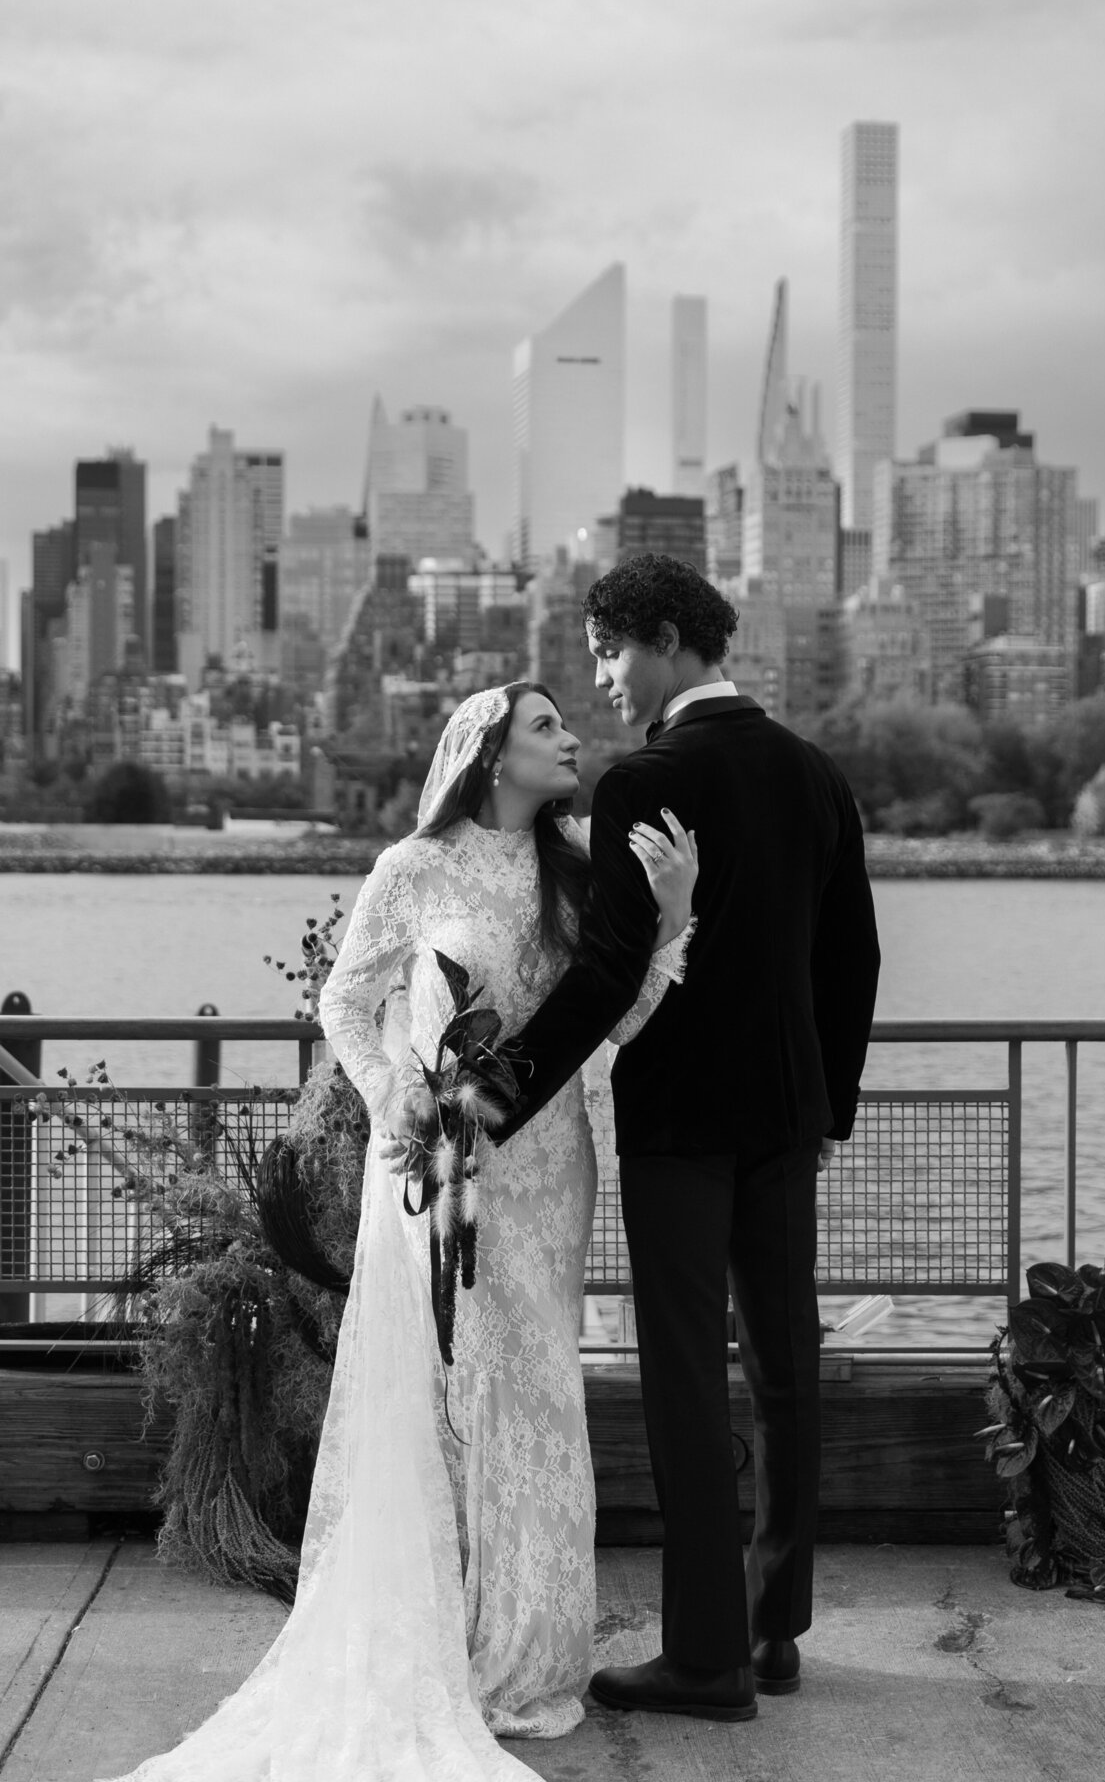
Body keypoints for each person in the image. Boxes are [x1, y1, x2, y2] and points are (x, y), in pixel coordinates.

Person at [100, 681, 696, 1780]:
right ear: (488, 754)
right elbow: (343, 1002)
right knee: (453, 1387)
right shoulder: (411, 872)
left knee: (538, 1389)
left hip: (547, 1165)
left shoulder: (575, 861)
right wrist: (394, 1098)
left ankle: (533, 1659)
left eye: (567, 724)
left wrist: (669, 920)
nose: (572, 742)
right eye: (547, 729)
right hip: (437, 1164)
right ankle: (449, 1644)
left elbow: (612, 1017)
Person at [490, 555, 880, 1723]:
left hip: (679, 1128)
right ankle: (772, 1634)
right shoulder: (815, 775)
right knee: (783, 1371)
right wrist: (829, 1104)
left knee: (683, 1385)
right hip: (786, 1118)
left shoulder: (642, 782)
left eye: (608, 652)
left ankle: (703, 1659)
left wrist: (495, 1092)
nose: (602, 679)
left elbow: (613, 969)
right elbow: (850, 961)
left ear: (663, 638)